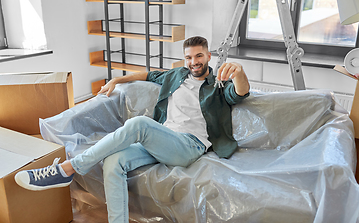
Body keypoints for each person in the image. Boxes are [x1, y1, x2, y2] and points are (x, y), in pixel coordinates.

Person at [15, 36, 250, 222]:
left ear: (208, 56)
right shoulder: (176, 75)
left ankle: (68, 169)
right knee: (113, 162)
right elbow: (146, 74)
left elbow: (240, 92)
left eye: (199, 56)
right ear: (184, 59)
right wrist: (116, 80)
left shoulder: (219, 84)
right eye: (189, 57)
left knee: (139, 124)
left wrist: (239, 72)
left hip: (189, 145)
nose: (194, 62)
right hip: (163, 139)